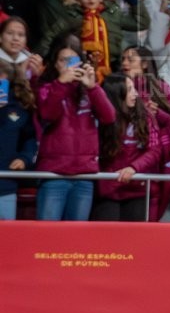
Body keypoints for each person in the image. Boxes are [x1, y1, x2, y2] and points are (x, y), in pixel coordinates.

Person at [35, 39, 115, 221]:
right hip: (53, 174)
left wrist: (93, 87)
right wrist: (61, 84)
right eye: (63, 60)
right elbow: (48, 114)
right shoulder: (46, 88)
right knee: (46, 237)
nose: (69, 65)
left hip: (84, 175)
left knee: (75, 240)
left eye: (73, 60)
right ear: (55, 64)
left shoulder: (89, 89)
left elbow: (109, 117)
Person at [93, 73, 161, 221]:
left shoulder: (145, 116)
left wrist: (134, 168)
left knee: (134, 240)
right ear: (117, 94)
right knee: (106, 239)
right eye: (130, 89)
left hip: (137, 189)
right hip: (107, 189)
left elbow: (155, 149)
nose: (135, 93)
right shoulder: (101, 118)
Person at [0, 59, 36, 220]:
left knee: (6, 240)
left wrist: (24, 158)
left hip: (6, 186)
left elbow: (29, 139)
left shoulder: (19, 109)